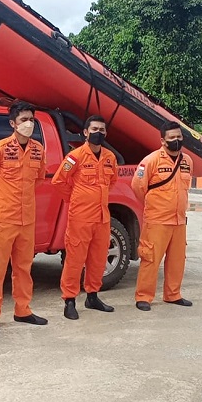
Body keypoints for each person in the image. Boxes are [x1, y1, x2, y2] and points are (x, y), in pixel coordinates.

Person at [0, 101, 49, 335]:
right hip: (4, 217)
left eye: (31, 120)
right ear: (12, 124)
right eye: (23, 120)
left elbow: (39, 178)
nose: (28, 124)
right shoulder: (0, 148)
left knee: (24, 268)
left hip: (27, 219)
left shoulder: (38, 149)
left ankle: (23, 310)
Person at [52, 115, 118, 320]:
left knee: (98, 260)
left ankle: (92, 296)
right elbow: (59, 181)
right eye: (94, 129)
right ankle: (69, 300)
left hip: (102, 218)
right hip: (81, 217)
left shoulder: (110, 157)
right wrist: (75, 199)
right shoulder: (76, 156)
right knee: (75, 260)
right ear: (85, 132)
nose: (98, 133)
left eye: (102, 130)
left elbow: (112, 181)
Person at [131, 121, 194, 311]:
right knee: (150, 259)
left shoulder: (187, 161)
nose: (176, 140)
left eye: (179, 137)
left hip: (179, 220)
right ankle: (144, 296)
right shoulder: (151, 161)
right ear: (162, 141)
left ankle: (173, 294)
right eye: (172, 137)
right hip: (157, 220)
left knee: (177, 260)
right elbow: (137, 186)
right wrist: (154, 205)